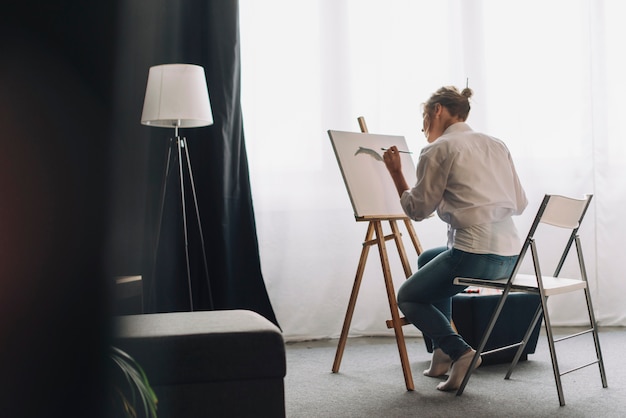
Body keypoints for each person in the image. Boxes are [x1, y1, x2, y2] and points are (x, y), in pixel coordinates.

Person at [382, 86, 528, 391]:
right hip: (510, 256)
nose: (422, 127)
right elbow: (520, 202)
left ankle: (460, 352)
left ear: (437, 111)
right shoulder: (496, 144)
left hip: (475, 257)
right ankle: (441, 355)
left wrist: (396, 173)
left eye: (423, 117)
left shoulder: (438, 149)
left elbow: (418, 209)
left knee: (407, 296)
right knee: (427, 259)